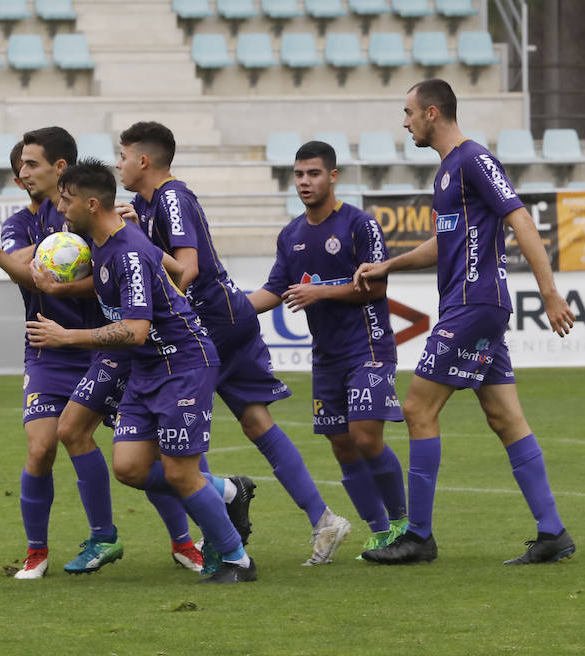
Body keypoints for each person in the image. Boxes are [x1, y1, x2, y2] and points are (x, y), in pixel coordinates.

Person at [354, 79, 577, 565]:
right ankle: (553, 533)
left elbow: (519, 218)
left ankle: (419, 536)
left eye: (409, 112)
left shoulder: (474, 159)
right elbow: (442, 245)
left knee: (417, 409)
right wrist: (387, 265)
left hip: (474, 305)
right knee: (504, 417)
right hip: (472, 306)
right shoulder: (447, 172)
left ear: (432, 113)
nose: (405, 121)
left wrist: (551, 293)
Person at [116, 121, 352, 566]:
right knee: (256, 424)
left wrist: (140, 244)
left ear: (143, 160)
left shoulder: (171, 197)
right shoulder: (144, 204)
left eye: (122, 155)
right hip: (226, 316)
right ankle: (323, 520)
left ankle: (220, 522)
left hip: (208, 325)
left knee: (180, 436)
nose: (118, 163)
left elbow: (186, 270)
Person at [27, 159, 258, 583]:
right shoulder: (106, 241)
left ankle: (235, 559)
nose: (60, 208)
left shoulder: (127, 251)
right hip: (148, 370)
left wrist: (67, 337)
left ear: (92, 204)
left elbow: (135, 330)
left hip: (182, 364)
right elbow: (171, 268)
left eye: (66, 199)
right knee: (131, 468)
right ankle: (227, 490)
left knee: (179, 472)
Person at [0, 132, 130, 578]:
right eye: (19, 168)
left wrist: (65, 255)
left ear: (59, 168)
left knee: (146, 450)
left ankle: (185, 538)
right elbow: (25, 270)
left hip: (101, 345)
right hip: (45, 350)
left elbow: (112, 276)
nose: (22, 174)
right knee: (40, 450)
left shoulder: (94, 216)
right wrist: (10, 253)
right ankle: (38, 551)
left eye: (31, 164)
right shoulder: (23, 221)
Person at [247, 141, 410, 562]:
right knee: (341, 444)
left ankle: (402, 525)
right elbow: (274, 290)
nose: (305, 182)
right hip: (326, 356)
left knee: (365, 436)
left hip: (368, 347)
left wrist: (319, 292)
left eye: (314, 173)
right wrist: (228, 309)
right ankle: (377, 533)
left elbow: (375, 287)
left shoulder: (360, 225)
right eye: (299, 174)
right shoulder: (291, 234)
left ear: (332, 176)